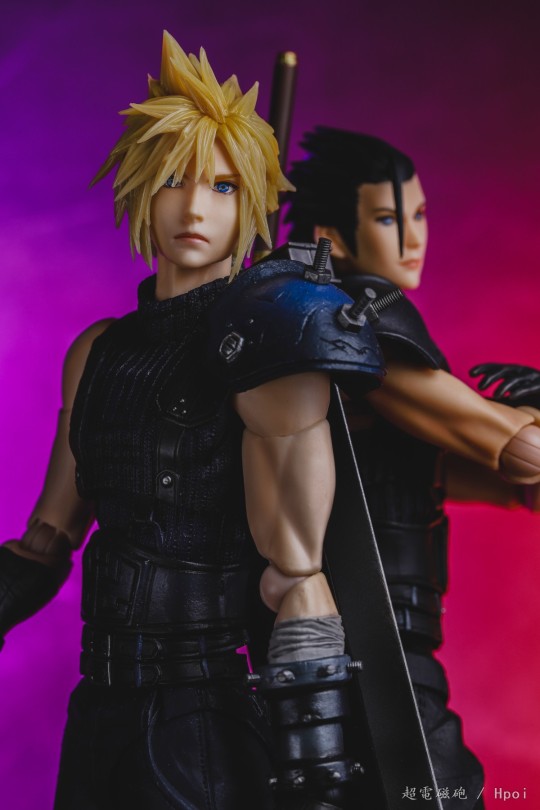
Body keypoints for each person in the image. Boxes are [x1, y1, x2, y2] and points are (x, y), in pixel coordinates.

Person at [0, 43, 386, 810]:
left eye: (222, 184)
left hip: (199, 714)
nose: (194, 207)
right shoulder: (99, 352)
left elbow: (297, 574)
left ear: (252, 202)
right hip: (97, 702)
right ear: (143, 190)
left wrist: (317, 769)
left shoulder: (268, 346)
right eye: (173, 179)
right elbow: (48, 535)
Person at [285, 126, 540, 810]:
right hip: (368, 645)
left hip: (379, 643)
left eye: (419, 215)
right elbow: (515, 448)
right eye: (388, 218)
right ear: (331, 237)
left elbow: (432, 468)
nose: (412, 237)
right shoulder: (352, 328)